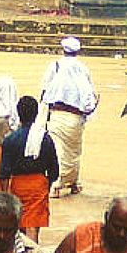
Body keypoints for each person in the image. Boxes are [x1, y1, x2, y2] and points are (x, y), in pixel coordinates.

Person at [41, 36, 99, 197]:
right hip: (75, 117)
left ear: (63, 50)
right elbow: (89, 93)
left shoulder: (55, 66)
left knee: (57, 150)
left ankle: (56, 185)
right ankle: (73, 182)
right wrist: (91, 108)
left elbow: (45, 88)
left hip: (57, 114)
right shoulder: (83, 69)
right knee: (74, 151)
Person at [0, 96, 59, 242]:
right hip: (38, 186)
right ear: (36, 114)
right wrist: (47, 185)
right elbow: (54, 170)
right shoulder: (45, 138)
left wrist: (6, 196)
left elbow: (4, 173)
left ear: (18, 114)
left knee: (16, 225)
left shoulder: (10, 139)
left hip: (17, 186)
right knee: (33, 227)